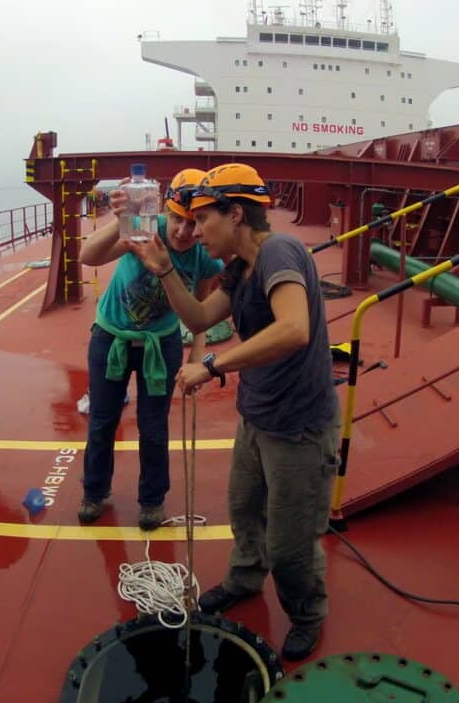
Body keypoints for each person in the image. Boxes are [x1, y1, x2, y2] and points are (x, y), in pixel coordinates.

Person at [127, 162, 339, 660]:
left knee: (290, 543)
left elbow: (294, 329)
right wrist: (163, 270)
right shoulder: (241, 268)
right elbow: (200, 316)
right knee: (245, 512)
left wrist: (213, 365)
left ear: (237, 214)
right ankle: (245, 579)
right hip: (258, 415)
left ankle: (308, 611)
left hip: (299, 427)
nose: (196, 231)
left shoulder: (278, 252)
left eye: (204, 219)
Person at [78, 169, 224, 531]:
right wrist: (123, 219)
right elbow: (89, 255)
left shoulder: (204, 256)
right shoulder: (147, 226)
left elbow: (200, 306)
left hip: (162, 344)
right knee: (101, 421)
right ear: (166, 212)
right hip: (110, 338)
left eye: (194, 223)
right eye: (176, 219)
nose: (182, 232)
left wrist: (197, 359)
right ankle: (94, 492)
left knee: (154, 427)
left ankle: (152, 501)